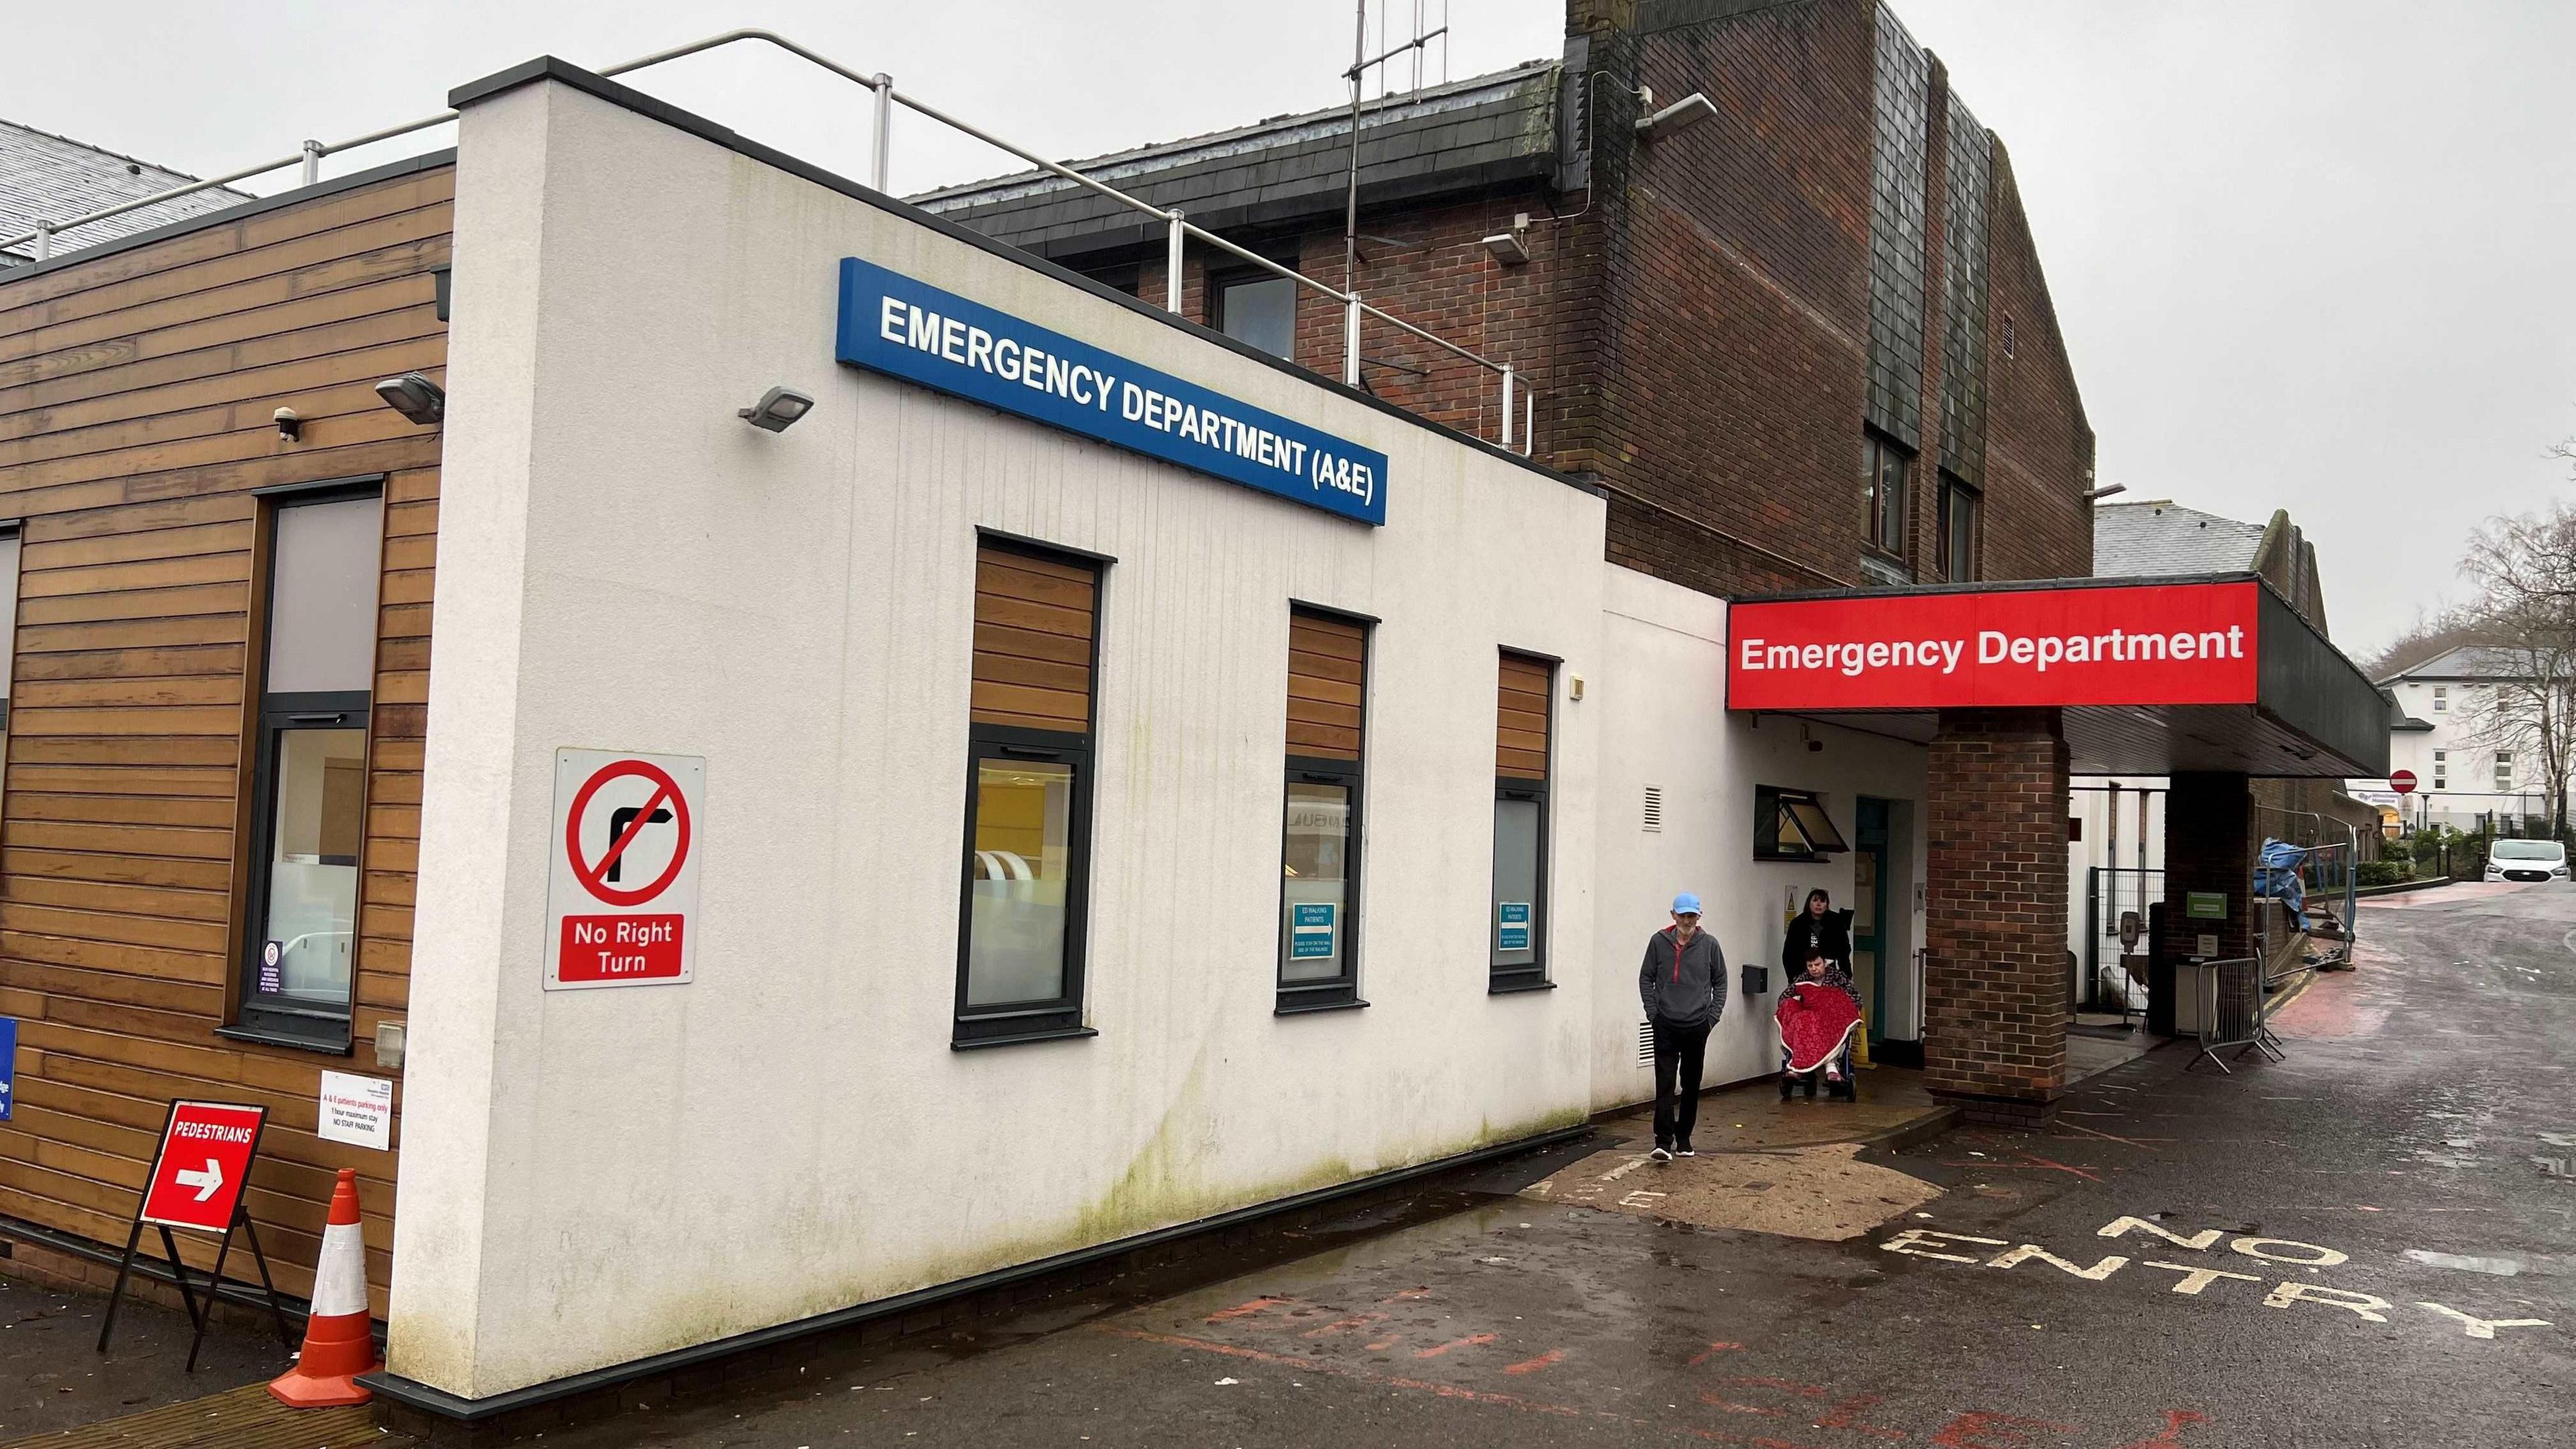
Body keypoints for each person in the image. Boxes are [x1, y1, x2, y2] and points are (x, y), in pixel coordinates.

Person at [1640, 892, 1727, 1161]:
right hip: (1665, 1023)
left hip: (1697, 1025)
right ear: (1673, 915)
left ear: (1698, 916)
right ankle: (1663, 1142)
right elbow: (1646, 977)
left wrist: (1711, 1018)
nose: (1687, 920)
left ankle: (1684, 1138)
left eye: (1692, 915)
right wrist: (1653, 1014)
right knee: (1664, 1083)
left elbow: (1721, 982)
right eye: (1682, 915)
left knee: (1691, 1083)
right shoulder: (1658, 942)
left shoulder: (1710, 945)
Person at [1778, 947, 1864, 1100]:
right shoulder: (1802, 979)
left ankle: (1831, 1066)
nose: (1814, 969)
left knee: (1825, 1021)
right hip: (1809, 1020)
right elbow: (1784, 998)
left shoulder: (1838, 978)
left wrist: (1835, 1003)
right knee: (1801, 1019)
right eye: (1810, 966)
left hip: (1831, 1019)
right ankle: (1798, 1065)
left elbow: (1855, 999)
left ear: (1825, 963)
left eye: (1817, 965)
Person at [1779, 888, 1851, 977]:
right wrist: (1792, 977)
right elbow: (1789, 953)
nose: (1819, 904)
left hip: (1829, 973)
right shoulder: (1798, 923)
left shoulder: (1836, 922)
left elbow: (1844, 952)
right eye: (1815, 900)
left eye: (1822, 901)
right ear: (1809, 903)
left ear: (1827, 905)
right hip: (1802, 973)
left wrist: (1847, 977)